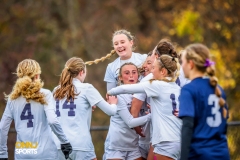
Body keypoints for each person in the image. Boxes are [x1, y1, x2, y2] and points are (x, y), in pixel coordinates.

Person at [107, 55, 182, 160]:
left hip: (165, 140)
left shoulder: (157, 85)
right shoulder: (178, 88)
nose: (152, 71)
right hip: (179, 139)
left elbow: (125, 89)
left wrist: (110, 92)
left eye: (154, 68)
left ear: (163, 71)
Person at [0, 59, 72, 160]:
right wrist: (64, 142)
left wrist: (2, 153)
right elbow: (52, 121)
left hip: (22, 153)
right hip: (45, 153)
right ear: (37, 75)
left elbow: (2, 127)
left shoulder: (13, 99)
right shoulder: (45, 94)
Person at [52, 57, 118, 160]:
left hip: (58, 145)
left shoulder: (56, 90)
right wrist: (113, 103)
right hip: (80, 145)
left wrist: (86, 107)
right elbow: (111, 111)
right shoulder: (86, 88)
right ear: (82, 72)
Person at [178, 43, 230, 160]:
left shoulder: (189, 90)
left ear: (190, 64)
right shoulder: (218, 88)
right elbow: (224, 124)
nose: (182, 66)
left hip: (199, 154)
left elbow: (187, 127)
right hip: (222, 154)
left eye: (183, 62)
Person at [104, 62, 151, 160]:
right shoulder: (118, 95)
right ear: (120, 77)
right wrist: (151, 116)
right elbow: (130, 122)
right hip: (116, 147)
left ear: (138, 75)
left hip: (133, 147)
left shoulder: (141, 94)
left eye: (134, 72)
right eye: (127, 73)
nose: (131, 76)